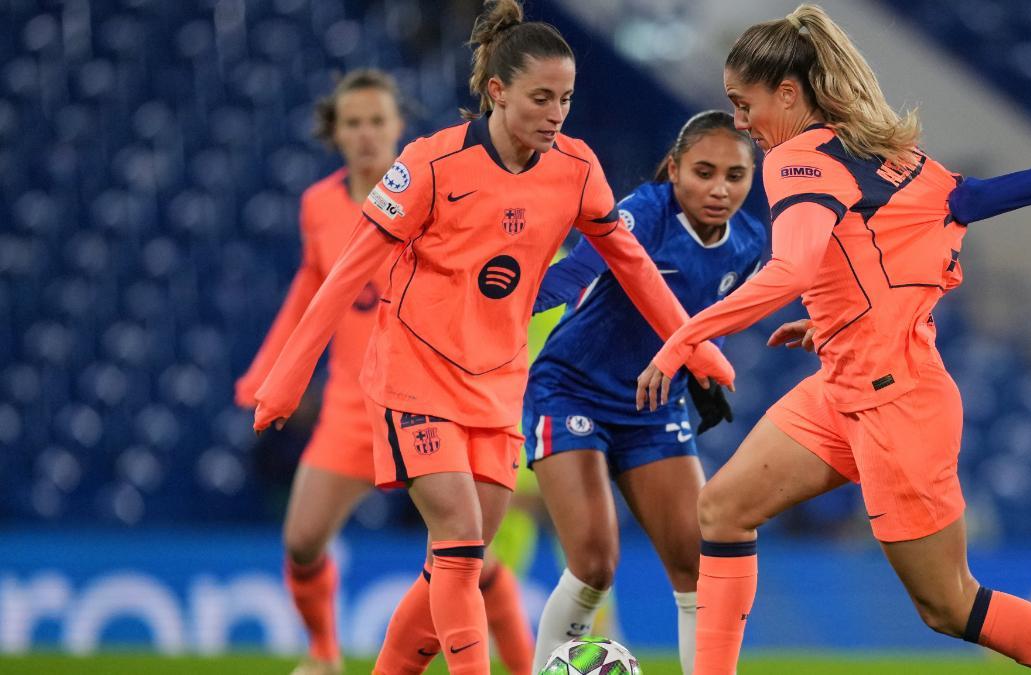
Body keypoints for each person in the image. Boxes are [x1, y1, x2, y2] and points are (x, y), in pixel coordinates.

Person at [634, 6, 1031, 674]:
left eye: (743, 104)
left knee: (949, 605)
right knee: (722, 509)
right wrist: (838, 317)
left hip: (896, 406)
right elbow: (989, 196)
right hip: (844, 387)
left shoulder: (796, 161)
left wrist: (680, 339)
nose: (742, 123)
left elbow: (792, 268)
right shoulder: (891, 158)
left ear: (787, 94)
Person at [250, 1, 735, 673]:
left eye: (565, 98)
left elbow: (632, 264)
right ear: (497, 92)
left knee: (457, 562)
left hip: (498, 385)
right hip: (415, 374)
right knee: (458, 535)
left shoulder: (576, 168)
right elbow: (348, 271)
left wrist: (695, 345)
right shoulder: (429, 165)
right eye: (541, 97)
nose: (556, 112)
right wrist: (287, 374)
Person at [234, 69, 534, 675]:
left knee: (465, 553)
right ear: (335, 134)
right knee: (301, 540)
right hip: (351, 401)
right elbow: (313, 285)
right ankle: (323, 653)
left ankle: (521, 665)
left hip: (425, 391)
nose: (367, 134)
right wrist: (271, 368)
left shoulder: (433, 189)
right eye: (353, 123)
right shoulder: (318, 205)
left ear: (399, 127)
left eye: (378, 121)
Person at [525, 110, 764, 673]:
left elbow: (713, 325)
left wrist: (707, 371)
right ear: (675, 170)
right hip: (572, 391)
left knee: (697, 564)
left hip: (653, 409)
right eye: (704, 172)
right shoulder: (645, 212)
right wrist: (500, 302)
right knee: (594, 562)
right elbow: (574, 274)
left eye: (735, 176)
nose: (719, 189)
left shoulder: (749, 244)